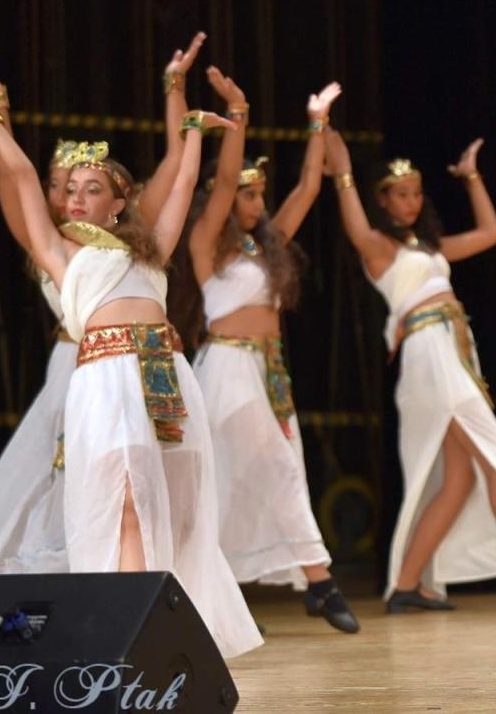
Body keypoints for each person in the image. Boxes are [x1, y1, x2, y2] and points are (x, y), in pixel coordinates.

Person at [0, 64, 261, 659]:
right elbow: (23, 177)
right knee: (126, 501)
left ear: (117, 203)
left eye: (93, 189)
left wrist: (191, 130)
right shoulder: (57, 250)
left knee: (182, 506)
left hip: (164, 375)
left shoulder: (150, 247)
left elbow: (186, 183)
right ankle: (133, 633)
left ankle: (179, 632)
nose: (78, 197)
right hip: (105, 376)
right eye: (73, 189)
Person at [321, 128, 496, 614]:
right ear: (383, 200)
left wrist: (471, 177)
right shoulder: (379, 249)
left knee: (458, 479)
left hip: (454, 350)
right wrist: (344, 173)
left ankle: (407, 584)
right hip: (428, 355)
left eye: (417, 192)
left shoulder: (431, 251)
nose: (411, 201)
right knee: (494, 452)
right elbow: (354, 227)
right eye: (401, 194)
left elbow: (491, 234)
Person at [180, 70, 357, 632]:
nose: (255, 202)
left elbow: (309, 187)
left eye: (259, 194)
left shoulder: (267, 246)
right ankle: (321, 581)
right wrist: (239, 114)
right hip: (226, 366)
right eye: (247, 194)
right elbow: (226, 180)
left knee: (263, 475)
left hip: (268, 371)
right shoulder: (207, 242)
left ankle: (294, 581)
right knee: (257, 473)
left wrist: (317, 122)